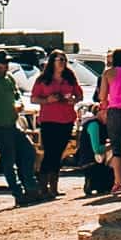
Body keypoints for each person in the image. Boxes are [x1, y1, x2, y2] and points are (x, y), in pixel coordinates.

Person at [0, 50, 43, 205]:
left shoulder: (9, 78)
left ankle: (30, 187)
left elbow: (17, 95)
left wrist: (18, 104)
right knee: (8, 159)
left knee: (28, 151)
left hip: (12, 125)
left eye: (5, 63)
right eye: (1, 63)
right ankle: (18, 193)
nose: (4, 66)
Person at [30, 50, 83, 197]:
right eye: (60, 60)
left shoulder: (70, 77)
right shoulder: (43, 79)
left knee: (58, 153)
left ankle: (53, 186)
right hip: (49, 120)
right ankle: (42, 187)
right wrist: (47, 100)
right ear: (52, 62)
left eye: (64, 60)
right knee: (49, 153)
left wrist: (74, 99)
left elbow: (79, 94)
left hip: (66, 120)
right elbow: (33, 98)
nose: (62, 63)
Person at [95, 48, 121, 194]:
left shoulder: (108, 73)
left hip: (114, 111)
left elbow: (102, 96)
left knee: (117, 148)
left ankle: (118, 182)